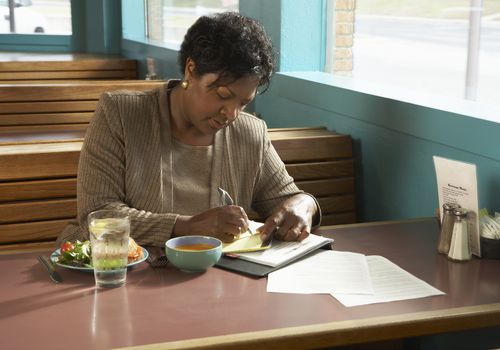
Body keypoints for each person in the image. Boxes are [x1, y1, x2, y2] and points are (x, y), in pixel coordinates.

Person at [57, 12, 321, 247]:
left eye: (243, 102)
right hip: (127, 277)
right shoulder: (120, 113)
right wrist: (185, 227)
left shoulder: (250, 132)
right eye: (222, 94)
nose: (231, 114)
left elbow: (288, 199)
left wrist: (304, 204)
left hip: (217, 285)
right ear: (191, 70)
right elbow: (98, 214)